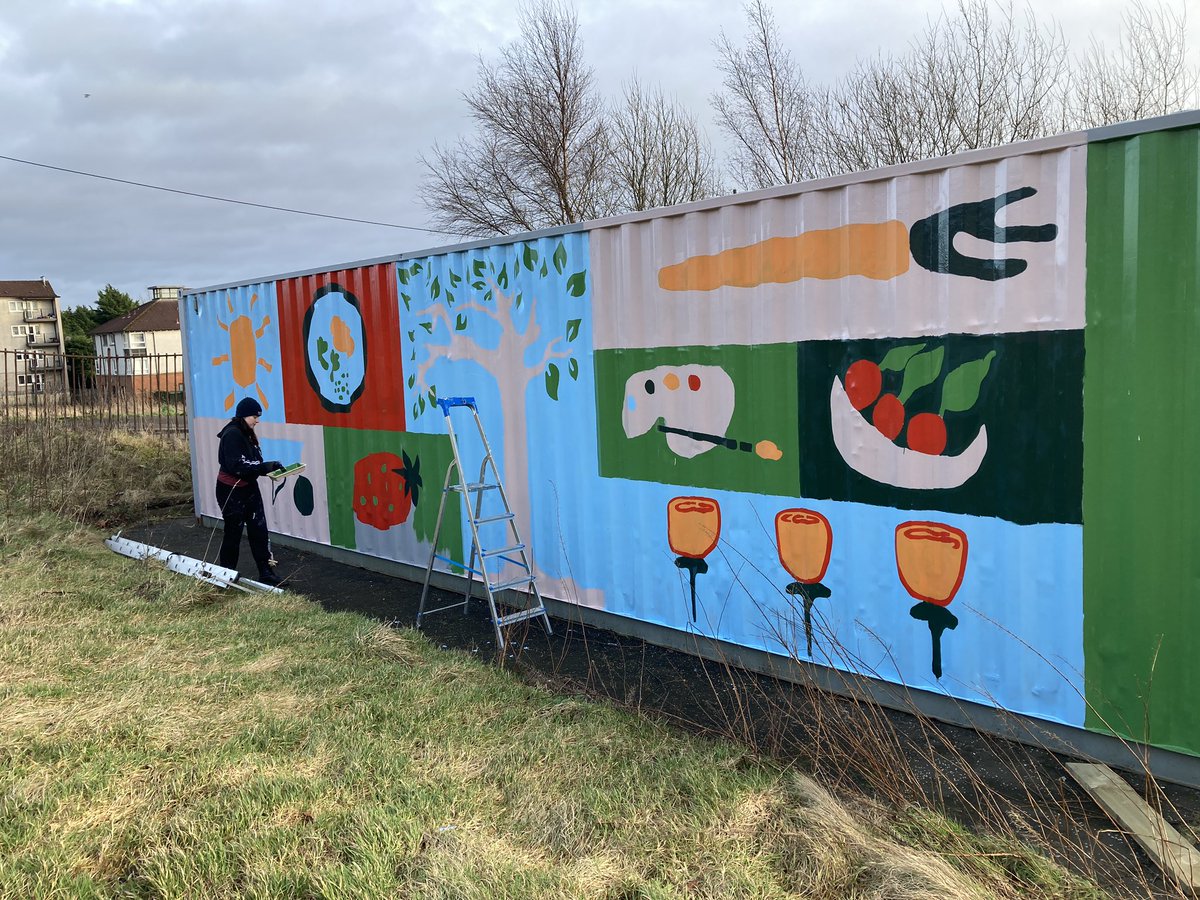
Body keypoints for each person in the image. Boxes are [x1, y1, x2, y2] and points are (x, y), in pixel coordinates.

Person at [215, 396, 285, 586]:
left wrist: (269, 468)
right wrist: (264, 468)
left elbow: (254, 461)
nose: (257, 420)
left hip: (249, 488)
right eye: (254, 416)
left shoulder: (247, 433)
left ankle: (266, 572)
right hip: (231, 490)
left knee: (259, 531)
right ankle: (226, 574)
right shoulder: (232, 435)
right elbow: (237, 465)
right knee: (233, 533)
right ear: (244, 415)